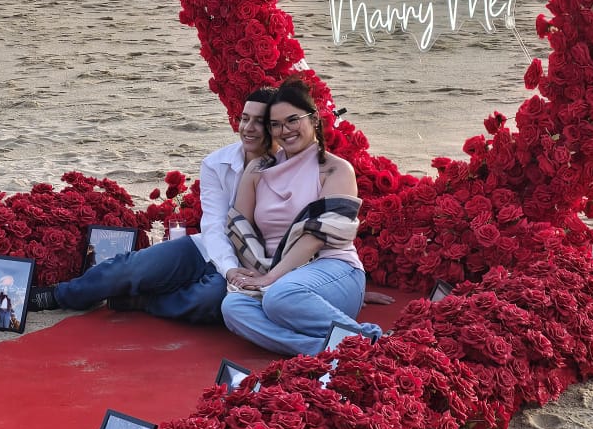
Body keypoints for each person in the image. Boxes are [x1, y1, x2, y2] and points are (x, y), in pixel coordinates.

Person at [30, 90, 279, 324]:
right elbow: (214, 225)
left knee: (209, 301)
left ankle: (144, 301)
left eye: (258, 121)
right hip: (210, 247)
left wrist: (239, 272)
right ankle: (59, 295)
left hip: (254, 264)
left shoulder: (289, 169)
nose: (248, 128)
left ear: (274, 125)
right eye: (244, 118)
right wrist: (229, 268)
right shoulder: (216, 163)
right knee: (132, 268)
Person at [221, 78, 381, 357]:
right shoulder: (258, 169)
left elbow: (316, 236)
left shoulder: (335, 170)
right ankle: (327, 348)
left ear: (314, 118)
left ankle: (367, 341)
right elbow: (240, 231)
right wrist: (253, 273)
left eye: (293, 120)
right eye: (276, 124)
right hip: (276, 274)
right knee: (232, 308)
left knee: (280, 297)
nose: (285, 130)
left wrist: (272, 277)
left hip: (333, 269)